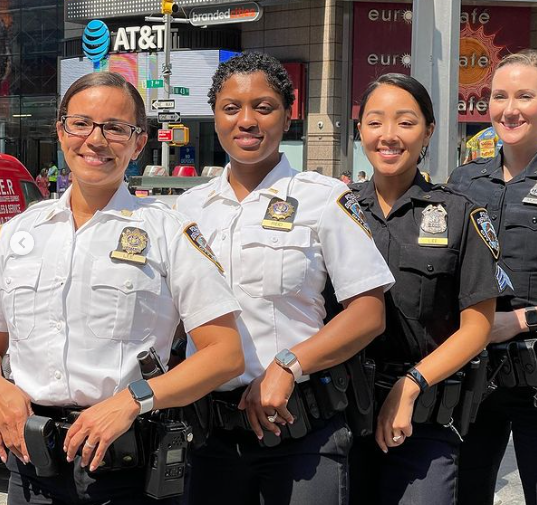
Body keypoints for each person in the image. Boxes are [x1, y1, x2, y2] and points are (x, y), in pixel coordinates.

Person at [0, 71, 245, 505]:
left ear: (138, 143)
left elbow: (224, 354)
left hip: (127, 473)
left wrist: (134, 400)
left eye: (115, 128)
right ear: (61, 131)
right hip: (31, 469)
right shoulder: (17, 234)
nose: (95, 140)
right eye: (81, 123)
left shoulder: (169, 232)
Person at [175, 52, 395, 505]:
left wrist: (287, 364)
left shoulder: (324, 198)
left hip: (300, 433)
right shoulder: (187, 209)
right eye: (231, 108)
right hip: (210, 436)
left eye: (264, 107)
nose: (247, 121)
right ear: (214, 114)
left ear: (289, 115)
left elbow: (369, 314)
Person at [347, 73, 503, 505]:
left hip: (424, 418)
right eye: (375, 122)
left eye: (406, 122)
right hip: (338, 415)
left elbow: (477, 327)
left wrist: (411, 383)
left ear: (429, 131)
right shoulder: (335, 212)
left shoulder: (462, 214)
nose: (389, 136)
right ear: (360, 130)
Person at [449, 50, 537, 505]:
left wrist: (519, 322)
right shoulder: (463, 183)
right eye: (499, 96)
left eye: (525, 95)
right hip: (471, 377)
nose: (509, 108)